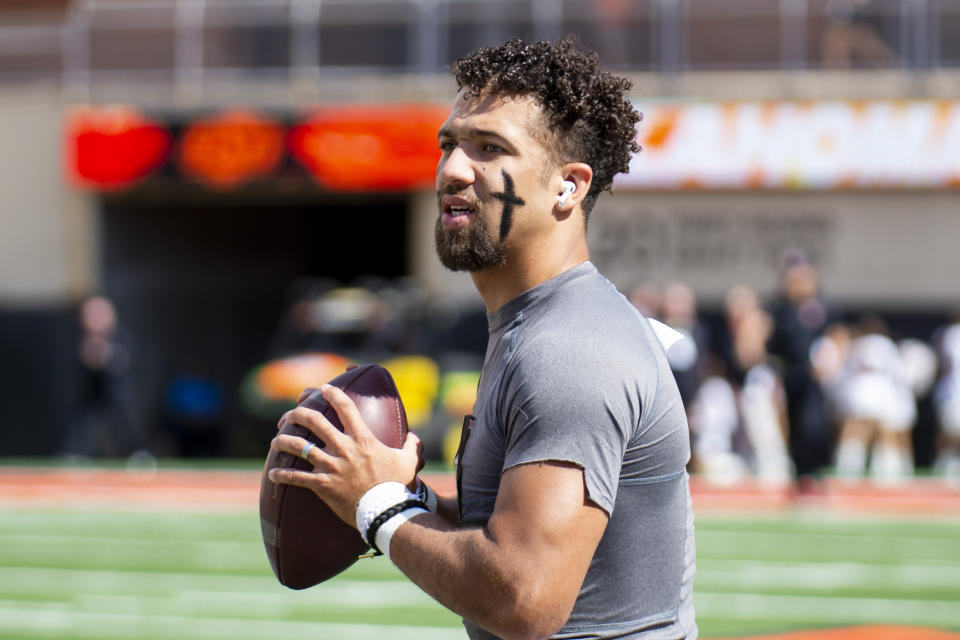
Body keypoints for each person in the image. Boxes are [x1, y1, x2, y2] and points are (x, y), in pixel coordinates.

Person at [267, 37, 697, 640]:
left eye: (490, 148)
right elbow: (504, 532)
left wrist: (378, 507)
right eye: (449, 144)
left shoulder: (566, 350)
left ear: (567, 187)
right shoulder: (537, 325)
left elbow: (524, 600)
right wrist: (396, 489)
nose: (452, 169)